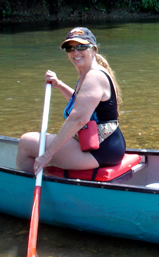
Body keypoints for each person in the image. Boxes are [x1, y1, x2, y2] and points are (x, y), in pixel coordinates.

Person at [16, 27, 126, 175]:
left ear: (93, 50)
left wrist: (46, 155)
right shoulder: (87, 73)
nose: (75, 52)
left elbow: (78, 119)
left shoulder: (94, 77)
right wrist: (59, 84)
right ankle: (45, 179)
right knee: (33, 141)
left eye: (81, 46)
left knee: (26, 143)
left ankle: (27, 188)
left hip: (99, 150)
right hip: (102, 145)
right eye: (70, 48)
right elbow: (81, 104)